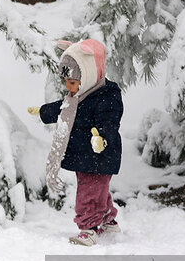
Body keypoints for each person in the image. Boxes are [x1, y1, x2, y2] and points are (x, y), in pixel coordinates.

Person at [29, 39, 123, 246]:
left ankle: (88, 228)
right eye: (66, 82)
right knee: (98, 190)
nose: (68, 87)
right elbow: (62, 108)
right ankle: (107, 219)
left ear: (89, 75)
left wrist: (102, 139)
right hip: (85, 155)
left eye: (73, 82)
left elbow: (109, 121)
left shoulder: (107, 97)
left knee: (89, 192)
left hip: (99, 155)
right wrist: (43, 112)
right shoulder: (78, 95)